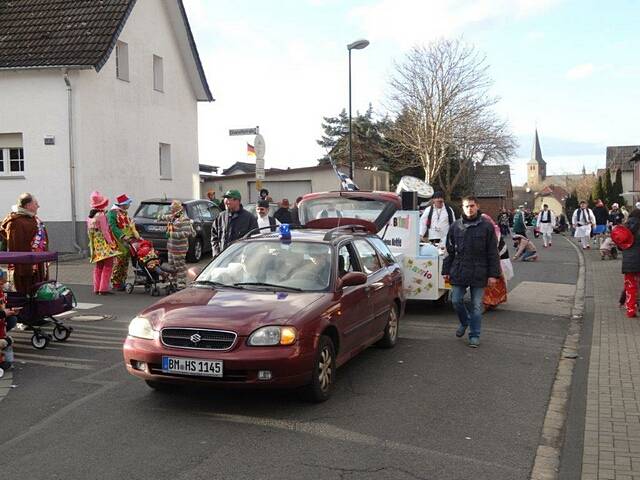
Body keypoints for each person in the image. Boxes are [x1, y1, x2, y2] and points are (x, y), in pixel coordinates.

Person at [442, 195, 501, 348]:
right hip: (460, 269)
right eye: (467, 206)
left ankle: (474, 335)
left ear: (477, 206)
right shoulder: (455, 226)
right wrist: (445, 270)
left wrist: (493, 275)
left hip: (479, 270)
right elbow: (449, 250)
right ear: (462, 208)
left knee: (476, 305)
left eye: (472, 206)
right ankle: (465, 321)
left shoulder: (487, 227)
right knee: (455, 300)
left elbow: (493, 252)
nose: (470, 209)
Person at [0, 193, 49, 294]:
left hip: (38, 263)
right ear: (27, 206)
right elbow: (17, 247)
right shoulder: (15, 222)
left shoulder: (32, 219)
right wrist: (25, 269)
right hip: (26, 268)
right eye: (36, 203)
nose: (38, 206)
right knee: (25, 295)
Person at [87, 191, 119, 295]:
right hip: (104, 245)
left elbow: (90, 233)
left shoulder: (90, 217)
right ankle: (104, 288)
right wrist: (111, 243)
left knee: (99, 266)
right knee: (108, 266)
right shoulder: (101, 215)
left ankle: (97, 287)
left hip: (96, 245)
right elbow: (105, 231)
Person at [106, 193, 140, 291]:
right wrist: (123, 236)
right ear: (123, 204)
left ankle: (121, 281)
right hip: (118, 241)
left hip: (126, 241)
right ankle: (116, 282)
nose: (129, 205)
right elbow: (112, 227)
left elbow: (126, 225)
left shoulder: (123, 212)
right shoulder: (112, 213)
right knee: (119, 261)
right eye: (128, 203)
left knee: (124, 261)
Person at [211, 189, 258, 257]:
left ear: (237, 201)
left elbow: (254, 240)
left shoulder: (249, 218)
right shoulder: (221, 216)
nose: (226, 201)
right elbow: (214, 236)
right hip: (222, 258)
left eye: (229, 199)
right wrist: (216, 252)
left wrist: (246, 255)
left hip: (240, 259)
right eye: (225, 199)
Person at [160, 200, 195, 288]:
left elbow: (186, 233)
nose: (170, 210)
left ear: (177, 209)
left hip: (179, 248)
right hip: (171, 247)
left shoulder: (184, 220)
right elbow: (165, 217)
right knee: (172, 267)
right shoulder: (173, 217)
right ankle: (173, 283)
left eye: (172, 208)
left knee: (180, 267)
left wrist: (172, 234)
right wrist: (159, 216)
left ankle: (181, 284)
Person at [481, 214, 509, 311]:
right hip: (495, 259)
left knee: (492, 281)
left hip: (498, 259)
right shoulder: (490, 229)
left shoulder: (494, 231)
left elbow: (494, 248)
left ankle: (489, 302)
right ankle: (491, 302)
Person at [621, 209, 640, 317]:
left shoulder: (625, 228)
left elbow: (620, 245)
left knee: (630, 286)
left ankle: (630, 310)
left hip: (628, 262)